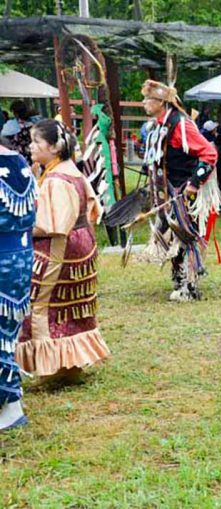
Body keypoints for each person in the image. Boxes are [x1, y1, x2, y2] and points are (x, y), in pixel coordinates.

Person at [16, 120, 110, 382]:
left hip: (59, 249)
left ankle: (52, 367)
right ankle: (68, 366)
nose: (31, 146)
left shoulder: (56, 179)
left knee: (41, 304)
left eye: (36, 141)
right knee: (72, 305)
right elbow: (93, 208)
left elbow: (52, 224)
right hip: (80, 244)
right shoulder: (71, 171)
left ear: (54, 147)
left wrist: (18, 224)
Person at [140, 80, 221, 302]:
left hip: (184, 189)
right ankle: (179, 279)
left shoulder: (181, 125)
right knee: (173, 233)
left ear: (161, 102)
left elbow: (209, 154)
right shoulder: (158, 126)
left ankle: (190, 285)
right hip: (168, 191)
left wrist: (194, 183)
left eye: (148, 99)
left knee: (186, 235)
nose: (144, 102)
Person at [0, 144, 36, 430]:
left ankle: (9, 407)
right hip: (20, 259)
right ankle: (10, 405)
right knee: (5, 334)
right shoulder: (19, 160)